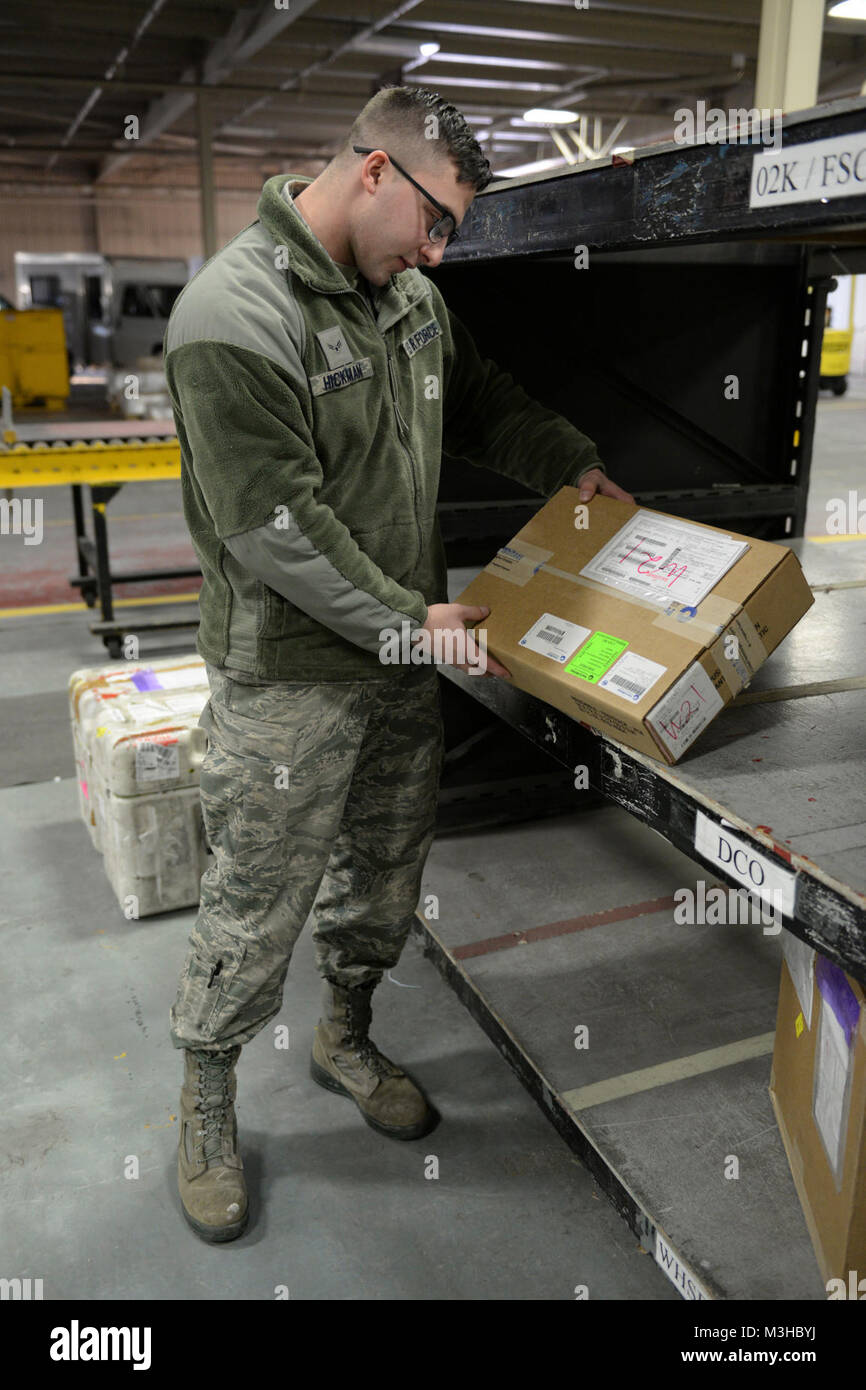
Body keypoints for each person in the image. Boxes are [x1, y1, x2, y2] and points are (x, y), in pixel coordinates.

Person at [164, 84, 634, 1244]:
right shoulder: (231, 316)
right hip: (287, 676)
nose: (435, 251)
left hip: (393, 658)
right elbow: (275, 527)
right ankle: (207, 1095)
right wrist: (408, 618)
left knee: (379, 876)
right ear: (374, 170)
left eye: (448, 236)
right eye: (432, 221)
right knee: (256, 900)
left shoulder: (411, 299)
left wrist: (565, 462)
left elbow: (473, 399)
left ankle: (345, 1032)